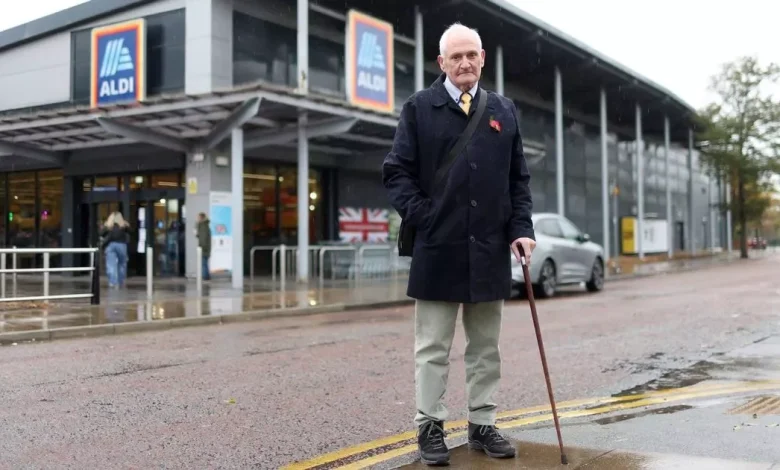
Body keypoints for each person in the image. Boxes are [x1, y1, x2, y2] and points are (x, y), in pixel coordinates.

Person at [382, 23, 536, 465]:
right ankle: (429, 426)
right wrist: (425, 218)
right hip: (437, 249)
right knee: (433, 348)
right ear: (441, 63)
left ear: (483, 58)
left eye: (472, 55)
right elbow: (396, 173)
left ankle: (482, 424)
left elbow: (517, 180)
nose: (465, 63)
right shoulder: (418, 108)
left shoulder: (503, 111)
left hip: (489, 250)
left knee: (486, 347)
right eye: (456, 57)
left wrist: (521, 229)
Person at [101, 211, 130, 288]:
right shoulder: (124, 226)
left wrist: (106, 225)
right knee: (122, 264)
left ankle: (112, 282)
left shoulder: (108, 226)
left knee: (111, 264)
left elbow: (101, 233)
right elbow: (129, 232)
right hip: (122, 245)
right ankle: (120, 281)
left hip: (110, 245)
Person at [196, 212, 211, 281]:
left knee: (204, 263)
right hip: (204, 248)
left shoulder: (204, 226)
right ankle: (206, 276)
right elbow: (198, 235)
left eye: (198, 217)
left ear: (201, 218)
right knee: (204, 263)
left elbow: (203, 238)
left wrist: (202, 247)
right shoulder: (202, 226)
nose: (197, 219)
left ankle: (205, 277)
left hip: (204, 248)